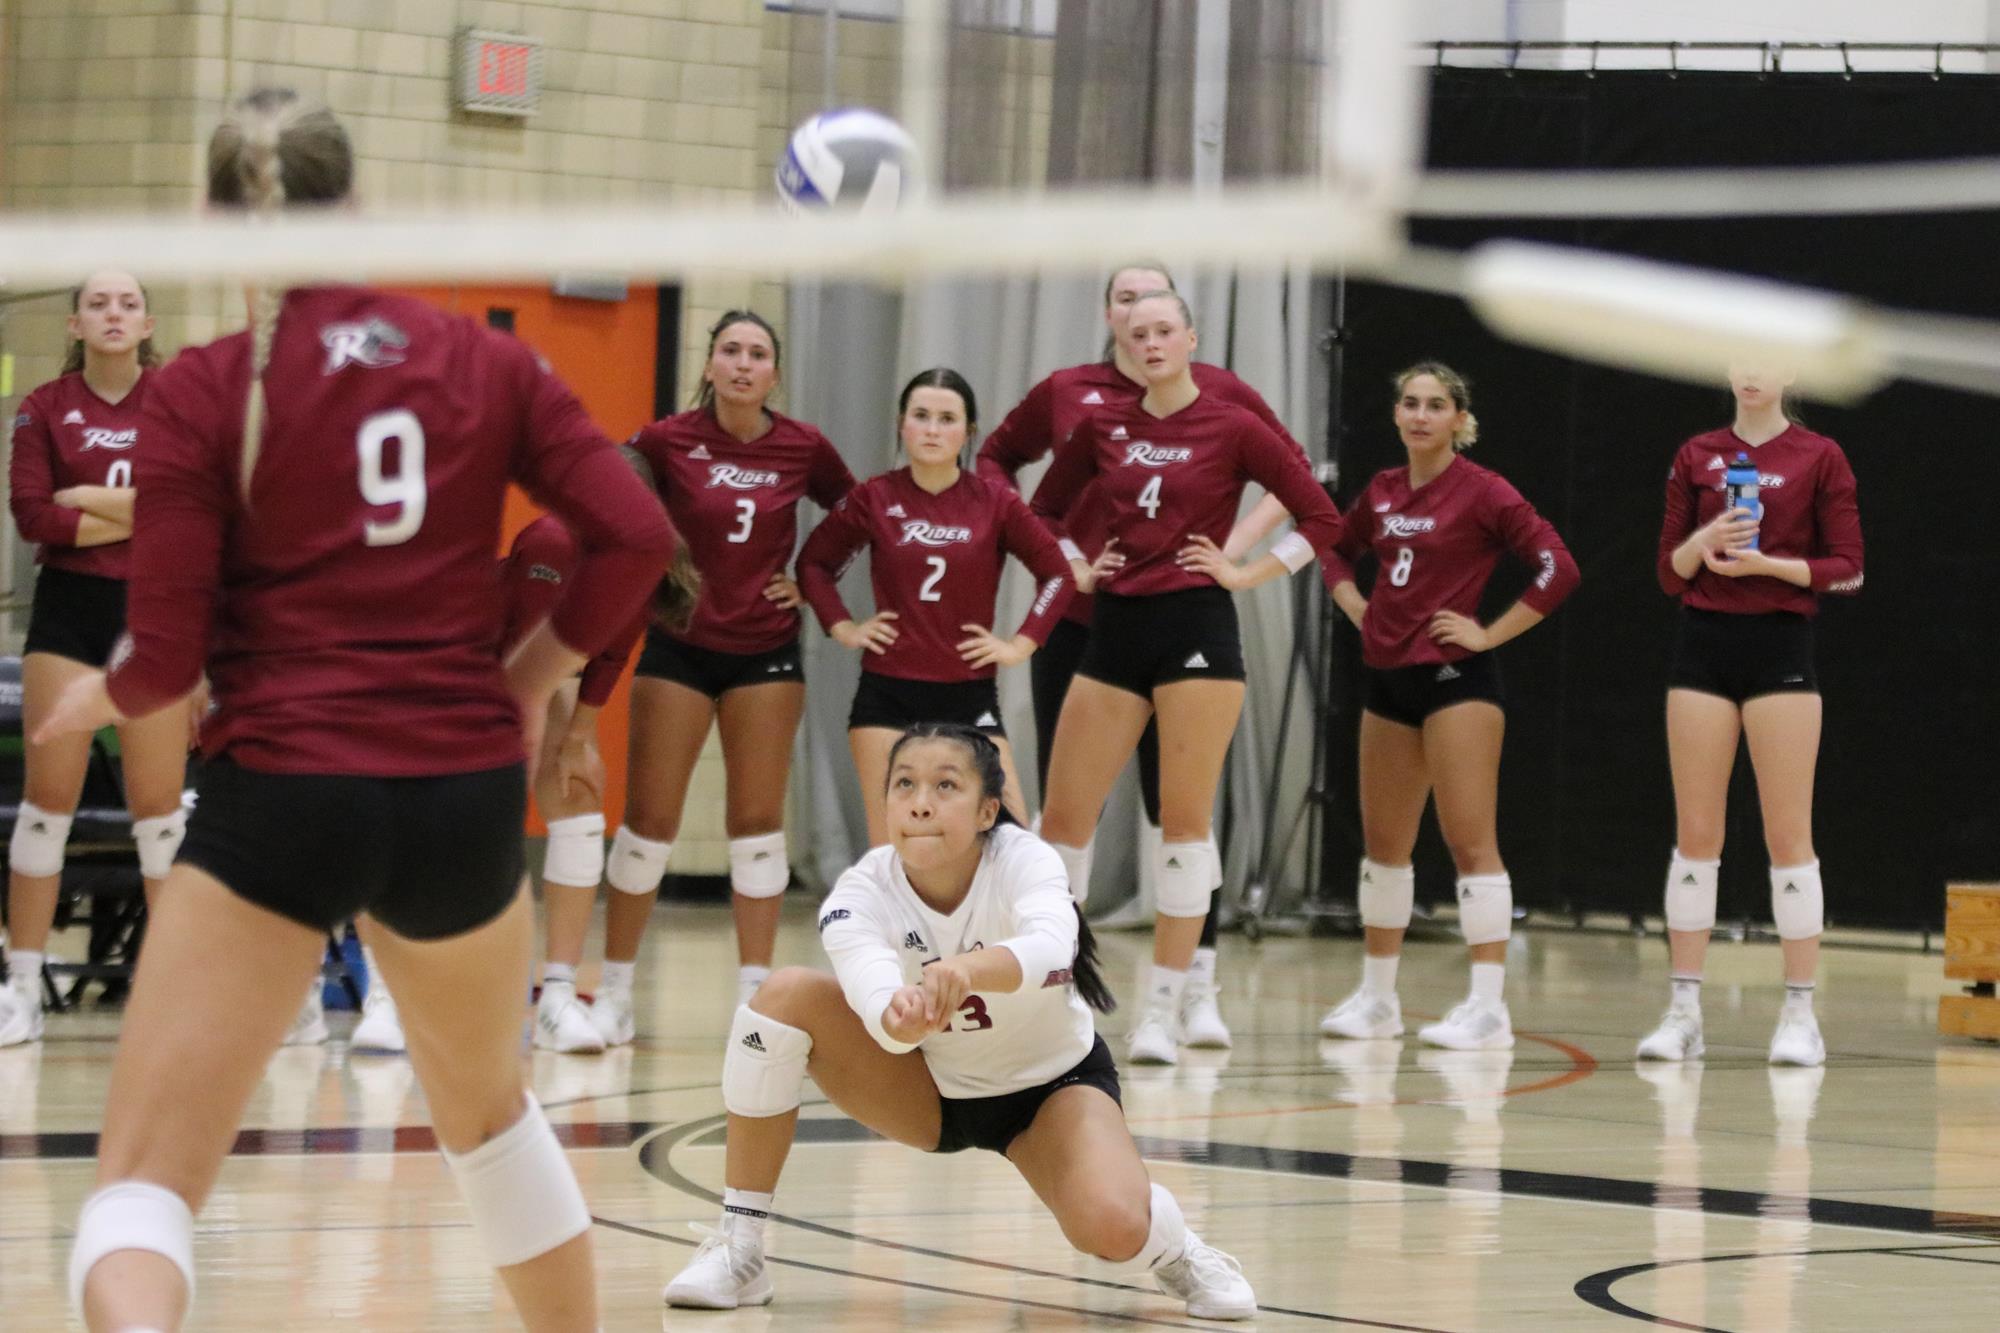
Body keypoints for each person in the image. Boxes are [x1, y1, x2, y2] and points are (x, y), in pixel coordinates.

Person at [42, 88, 674, 1332]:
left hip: (285, 792)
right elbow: (637, 537)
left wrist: (85, 705)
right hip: (460, 797)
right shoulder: (483, 358)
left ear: (216, 224)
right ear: (361, 208)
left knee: (144, 1184)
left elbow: (163, 662)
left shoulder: (206, 389)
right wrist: (532, 677)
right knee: (490, 1122)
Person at [660, 723, 1257, 1321]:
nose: (921, 801)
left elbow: (1054, 952)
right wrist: (900, 1018)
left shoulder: (1025, 859)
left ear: (986, 810)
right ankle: (740, 1247)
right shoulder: (860, 890)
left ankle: (1178, 1251)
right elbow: (873, 996)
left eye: (946, 785)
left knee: (1111, 1226)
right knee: (784, 997)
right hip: (930, 1090)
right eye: (904, 784)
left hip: (1052, 1088)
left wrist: (966, 970)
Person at [977, 261, 1303, 1051]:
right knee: (1069, 810)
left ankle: (1195, 988)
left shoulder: (1217, 393)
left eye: (1155, 307)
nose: (1140, 320)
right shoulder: (1068, 393)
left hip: (1182, 616)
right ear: (1109, 315)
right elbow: (995, 467)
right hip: (1087, 620)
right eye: (1126, 303)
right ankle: (1065, 984)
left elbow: (1294, 478)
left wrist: (1234, 550)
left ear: (1182, 327)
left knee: (1180, 806)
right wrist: (1056, 556)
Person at [346, 514, 700, 1056]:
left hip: (532, 673)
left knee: (579, 788)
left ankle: (557, 998)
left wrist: (580, 733)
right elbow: (521, 660)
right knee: (397, 803)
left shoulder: (642, 562)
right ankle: (385, 996)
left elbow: (611, 653)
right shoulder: (552, 541)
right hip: (445, 654)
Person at [598, 311, 857, 1040]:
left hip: (765, 650)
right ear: (709, 364)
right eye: (731, 351)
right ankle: (613, 989)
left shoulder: (802, 445)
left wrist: (812, 579)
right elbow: (615, 498)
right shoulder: (666, 438)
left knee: (756, 827)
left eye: (758, 354)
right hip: (679, 644)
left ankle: (758, 998)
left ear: (775, 373)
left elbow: (858, 510)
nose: (744, 363)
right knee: (648, 825)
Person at [1315, 363, 1579, 1052]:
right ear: (1397, 415)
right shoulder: (1382, 490)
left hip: (1458, 679)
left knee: (1468, 840)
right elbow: (1335, 552)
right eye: (1410, 403)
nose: (1421, 415)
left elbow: (1559, 566)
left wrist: (1489, 630)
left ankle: (1488, 1006)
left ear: (1460, 419)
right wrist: (1356, 606)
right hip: (1388, 680)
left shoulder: (1484, 491)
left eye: (1436, 405)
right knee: (1385, 848)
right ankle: (1377, 998)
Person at [1638, 362, 1862, 1068]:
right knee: (1697, 832)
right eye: (1741, 357)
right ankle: (1683, 1011)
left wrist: (1765, 565)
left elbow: (1849, 565)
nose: (1752, 372)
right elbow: (1668, 573)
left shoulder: (1818, 454)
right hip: (1702, 648)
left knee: (1788, 832)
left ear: (1790, 368)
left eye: (1767, 357)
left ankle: (1800, 1011)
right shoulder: (1696, 453)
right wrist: (1705, 545)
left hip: (1781, 647)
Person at [1, 271, 192, 1048]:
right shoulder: (43, 405)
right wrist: (135, 513)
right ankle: (22, 992)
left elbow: (190, 507)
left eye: (127, 302)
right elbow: (31, 512)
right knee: (48, 807)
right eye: (97, 303)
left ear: (148, 321)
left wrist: (87, 499)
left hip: (152, 611)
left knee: (159, 814)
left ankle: (175, 993)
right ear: (75, 324)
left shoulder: (177, 404)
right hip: (70, 613)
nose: (114, 314)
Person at [796, 367, 1080, 845]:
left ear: (968, 432)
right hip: (886, 696)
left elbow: (1059, 574)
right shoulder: (875, 496)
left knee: (1008, 842)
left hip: (967, 694)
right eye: (921, 416)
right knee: (893, 846)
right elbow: (814, 565)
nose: (932, 429)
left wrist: (1021, 644)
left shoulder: (996, 502)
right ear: (901, 424)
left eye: (947, 418)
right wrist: (842, 627)